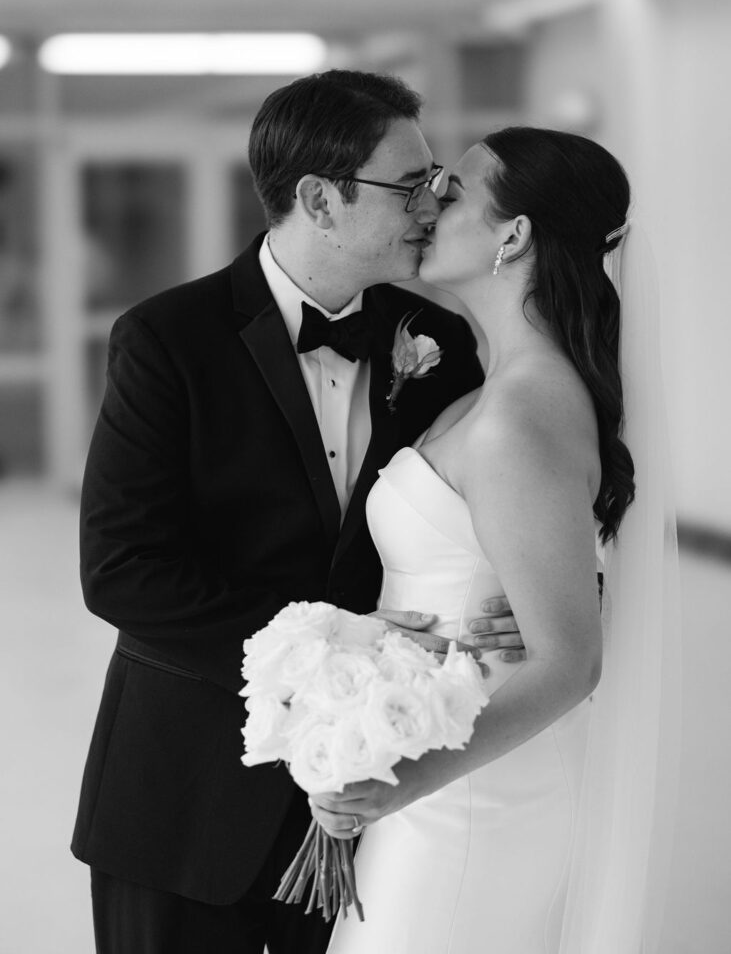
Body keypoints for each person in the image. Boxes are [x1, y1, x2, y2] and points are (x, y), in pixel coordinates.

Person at [71, 70, 524, 954]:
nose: (432, 206)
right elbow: (122, 572)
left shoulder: (442, 343)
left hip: (369, 800)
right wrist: (339, 644)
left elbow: (493, 498)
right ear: (319, 198)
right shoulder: (168, 339)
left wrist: (523, 593)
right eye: (410, 184)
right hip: (184, 798)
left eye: (436, 183)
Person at [312, 128, 678, 953]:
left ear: (512, 235)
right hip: (447, 772)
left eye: (452, 187)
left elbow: (565, 663)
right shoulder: (491, 391)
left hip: (472, 795)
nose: (427, 201)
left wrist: (390, 786)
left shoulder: (519, 414)